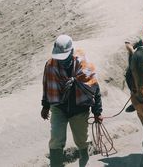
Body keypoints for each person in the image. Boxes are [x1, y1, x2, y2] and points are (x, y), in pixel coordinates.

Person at [41, 35, 103, 167]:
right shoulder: (50, 65)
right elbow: (46, 85)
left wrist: (97, 112)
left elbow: (95, 87)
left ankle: (86, 161)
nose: (61, 61)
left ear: (71, 52)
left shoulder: (83, 64)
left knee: (82, 141)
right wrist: (45, 105)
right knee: (56, 140)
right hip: (59, 108)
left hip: (79, 109)